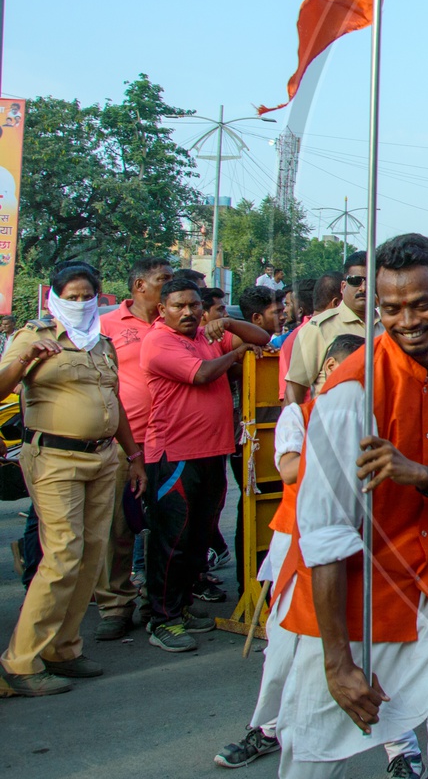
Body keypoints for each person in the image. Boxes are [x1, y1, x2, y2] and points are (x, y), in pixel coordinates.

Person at [269, 233, 428, 777]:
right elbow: (322, 535)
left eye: (421, 304)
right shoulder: (350, 392)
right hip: (350, 602)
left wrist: (423, 476)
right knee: (313, 762)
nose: (407, 320)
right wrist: (338, 662)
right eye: (390, 308)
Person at [216, 336, 428, 775]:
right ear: (330, 366)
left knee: (376, 651)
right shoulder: (298, 414)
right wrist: (341, 448)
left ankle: (400, 750)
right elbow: (291, 467)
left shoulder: (374, 413)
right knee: (284, 652)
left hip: (363, 550)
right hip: (295, 545)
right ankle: (267, 728)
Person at [0, 262, 148, 697]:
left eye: (88, 296)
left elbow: (114, 399)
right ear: (56, 297)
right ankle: (21, 662)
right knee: (63, 554)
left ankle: (63, 647)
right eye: (73, 296)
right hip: (54, 458)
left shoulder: (101, 343)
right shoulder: (34, 336)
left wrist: (133, 455)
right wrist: (26, 359)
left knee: (90, 555)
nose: (81, 303)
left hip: (103, 457)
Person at [140, 278, 270, 651]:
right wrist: (235, 353)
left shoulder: (206, 335)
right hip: (174, 455)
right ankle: (161, 619)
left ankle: (178, 609)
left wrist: (228, 325)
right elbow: (202, 374)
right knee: (172, 540)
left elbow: (261, 338)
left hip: (212, 451)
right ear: (162, 309)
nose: (189, 312)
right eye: (179, 306)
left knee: (198, 539)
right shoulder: (159, 341)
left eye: (195, 305)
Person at [96, 256, 174, 639]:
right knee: (120, 527)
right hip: (125, 443)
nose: (170, 286)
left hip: (170, 440)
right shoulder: (106, 325)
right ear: (140, 285)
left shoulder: (176, 321)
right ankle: (116, 605)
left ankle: (162, 603)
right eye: (163, 280)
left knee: (165, 526)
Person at [285, 253, 367, 405]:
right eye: (355, 281)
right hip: (331, 425)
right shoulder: (320, 328)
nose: (363, 288)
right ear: (343, 287)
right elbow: (293, 393)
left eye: (370, 282)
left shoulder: (388, 327)